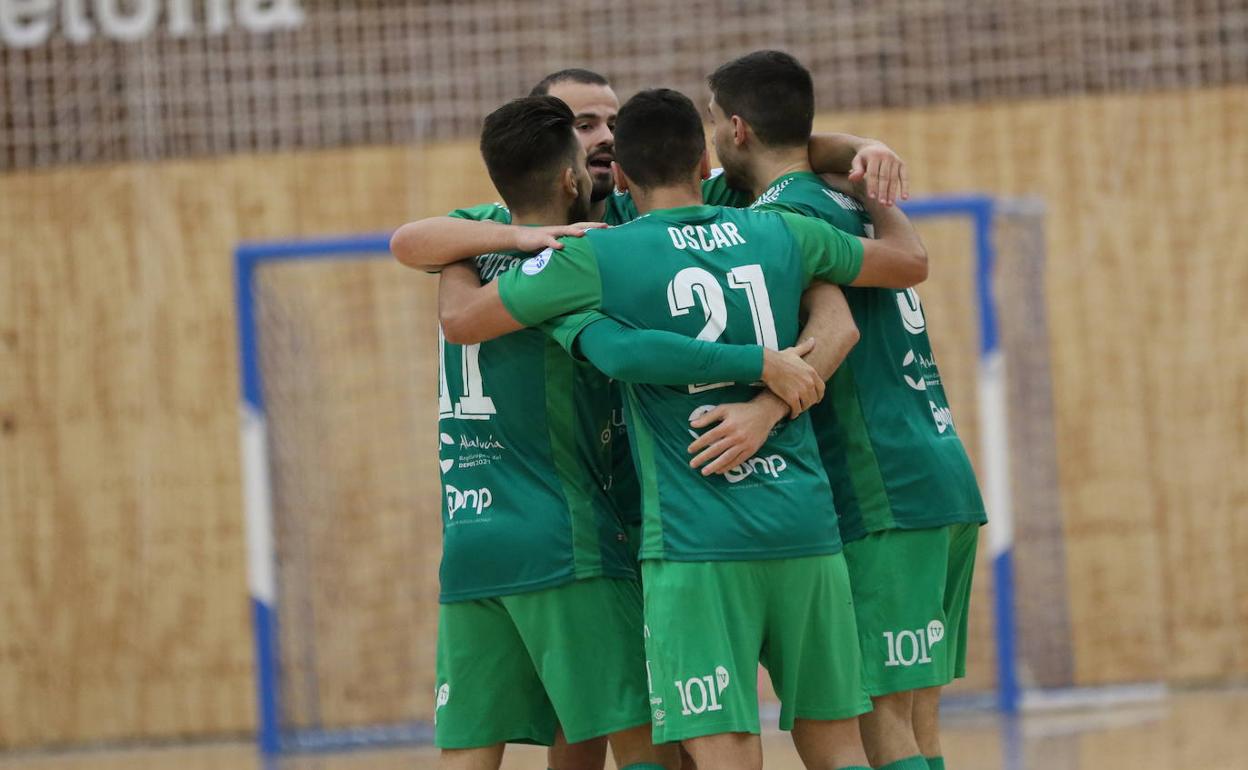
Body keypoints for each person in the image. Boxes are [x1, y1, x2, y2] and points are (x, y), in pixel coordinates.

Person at [405, 87, 929, 770]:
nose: (598, 137)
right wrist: (869, 173)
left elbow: (470, 317)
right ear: (705, 155)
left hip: (678, 534)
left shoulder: (593, 255)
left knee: (690, 740)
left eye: (610, 127)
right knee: (834, 739)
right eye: (582, 124)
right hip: (800, 519)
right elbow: (893, 272)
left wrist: (463, 262)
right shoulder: (774, 229)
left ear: (617, 170)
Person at [688, 50, 988, 770]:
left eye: (710, 120)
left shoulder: (783, 217)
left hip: (878, 484)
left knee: (880, 715)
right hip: (937, 473)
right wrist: (864, 151)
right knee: (917, 718)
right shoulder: (843, 199)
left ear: (735, 127)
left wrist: (763, 410)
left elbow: (837, 332)